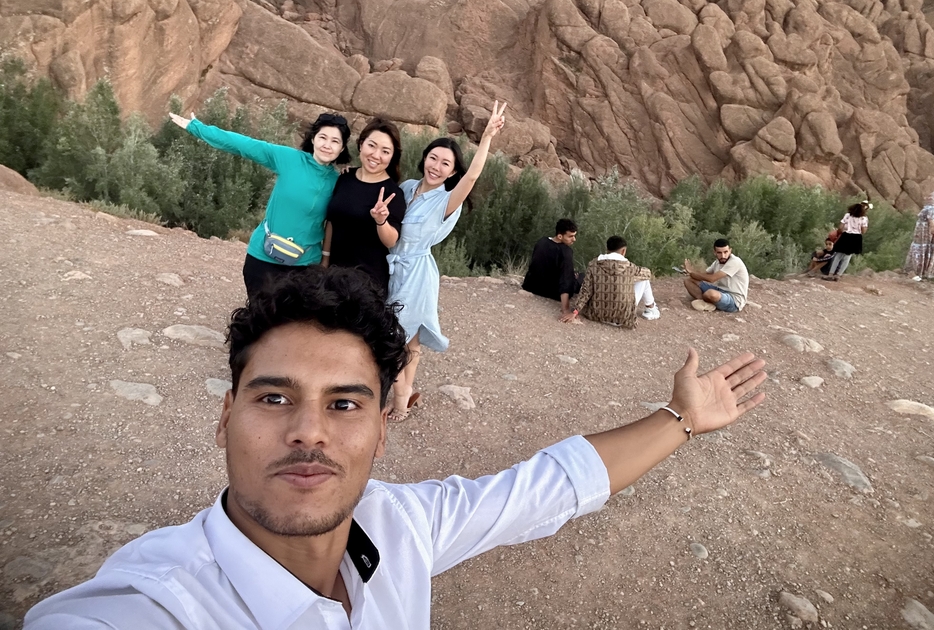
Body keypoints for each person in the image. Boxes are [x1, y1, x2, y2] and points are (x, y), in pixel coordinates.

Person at [24, 267, 767, 630]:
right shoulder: (156, 603)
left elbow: (547, 487)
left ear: (383, 427)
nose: (308, 431)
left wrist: (682, 418)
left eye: (344, 404)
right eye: (273, 397)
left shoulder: (399, 524)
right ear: (226, 417)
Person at [386, 102, 507, 421]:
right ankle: (408, 392)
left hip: (416, 275)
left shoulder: (445, 201)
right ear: (425, 157)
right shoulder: (407, 187)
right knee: (410, 341)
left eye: (445, 164)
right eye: (433, 158)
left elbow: (473, 177)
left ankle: (398, 404)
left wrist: (486, 139)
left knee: (392, 338)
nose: (436, 166)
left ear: (452, 172)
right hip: (392, 267)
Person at [168, 111, 349, 298]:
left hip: (305, 266)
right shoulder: (289, 159)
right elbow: (244, 145)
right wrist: (199, 129)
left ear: (342, 148)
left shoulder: (341, 182)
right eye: (322, 137)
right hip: (263, 257)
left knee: (291, 323)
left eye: (335, 141)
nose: (327, 145)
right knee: (259, 316)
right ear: (313, 139)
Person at [323, 118, 406, 291]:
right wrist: (325, 260)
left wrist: (381, 220)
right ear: (361, 145)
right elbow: (332, 220)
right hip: (333, 276)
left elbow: (391, 241)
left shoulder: (393, 193)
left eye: (385, 151)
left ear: (392, 157)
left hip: (367, 283)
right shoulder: (345, 177)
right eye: (372, 145)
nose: (376, 155)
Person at [571, 235, 660, 327]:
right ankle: (651, 308)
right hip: (623, 318)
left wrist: (575, 311)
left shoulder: (593, 265)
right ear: (623, 251)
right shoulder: (630, 267)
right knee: (643, 279)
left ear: (607, 249)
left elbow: (586, 290)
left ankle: (650, 308)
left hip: (596, 314)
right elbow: (648, 273)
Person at [522, 219, 583, 321]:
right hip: (553, 292)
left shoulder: (542, 241)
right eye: (570, 236)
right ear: (560, 236)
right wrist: (565, 310)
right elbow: (565, 281)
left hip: (530, 285)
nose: (574, 239)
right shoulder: (566, 251)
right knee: (582, 277)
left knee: (571, 274)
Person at [904, 178, 934, 281]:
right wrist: (932, 226)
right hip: (927, 227)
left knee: (933, 249)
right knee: (921, 247)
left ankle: (927, 274)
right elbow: (929, 210)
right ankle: (913, 272)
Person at [683, 238, 749, 312]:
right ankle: (702, 300)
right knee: (688, 281)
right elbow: (704, 274)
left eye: (725, 252)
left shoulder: (735, 262)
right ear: (714, 252)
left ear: (730, 250)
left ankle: (707, 301)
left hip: (734, 299)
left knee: (711, 293)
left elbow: (712, 279)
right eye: (719, 253)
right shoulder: (717, 262)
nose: (723, 256)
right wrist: (691, 272)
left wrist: (692, 272)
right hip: (720, 290)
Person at [824, 201, 869, 281]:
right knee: (847, 257)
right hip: (856, 238)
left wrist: (840, 233)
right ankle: (838, 275)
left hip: (846, 236)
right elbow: (863, 231)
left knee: (838, 256)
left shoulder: (848, 215)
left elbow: (840, 227)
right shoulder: (864, 218)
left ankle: (830, 274)